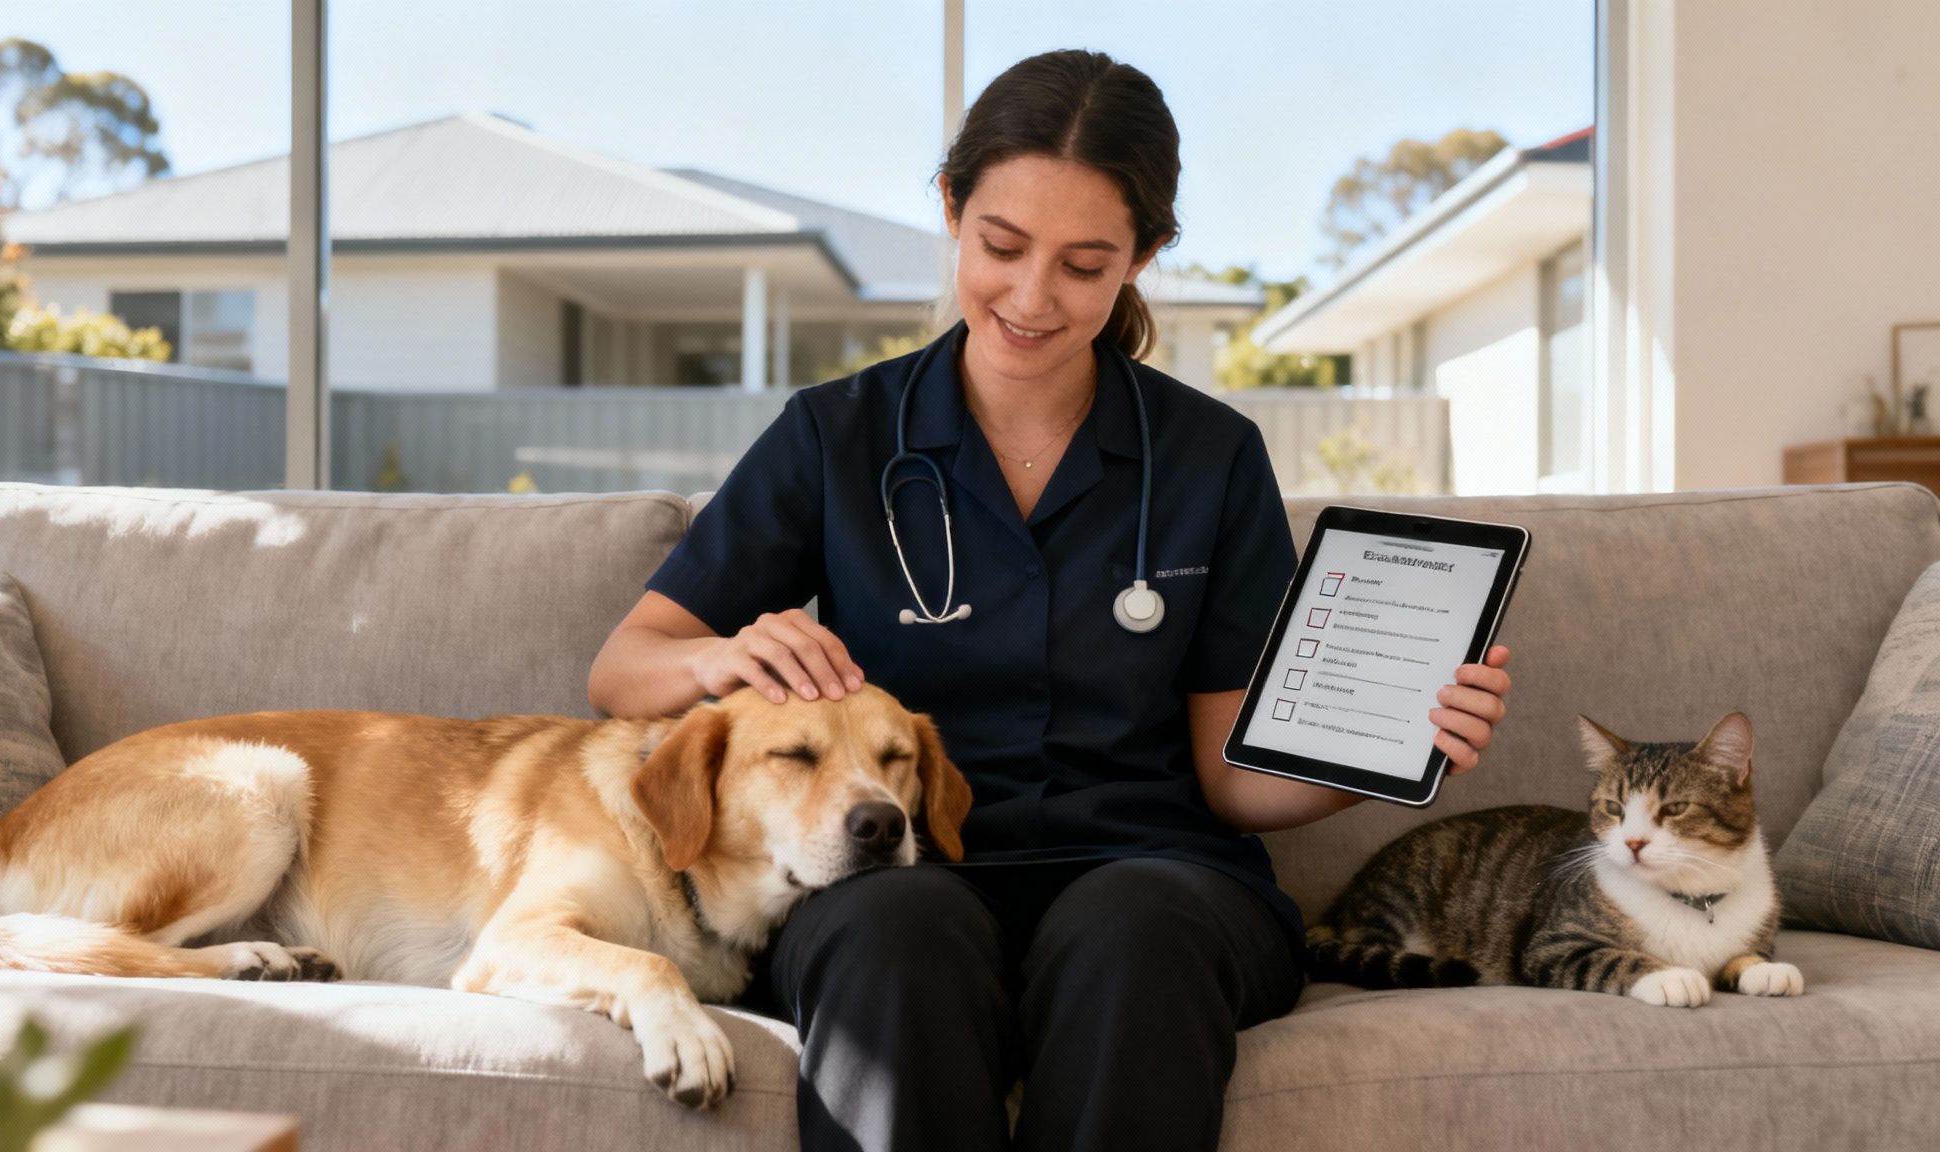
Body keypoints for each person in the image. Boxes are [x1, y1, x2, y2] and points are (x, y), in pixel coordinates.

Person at [588, 48, 1513, 1152]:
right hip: (904, 870)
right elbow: (624, 666)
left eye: (1083, 264)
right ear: (949, 209)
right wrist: (718, 656)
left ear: (1145, 257)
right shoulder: (834, 436)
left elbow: (1229, 774)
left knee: (1131, 927)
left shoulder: (1207, 457)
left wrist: (1382, 751)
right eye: (1001, 246)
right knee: (891, 927)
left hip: (1159, 879)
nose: (1030, 299)